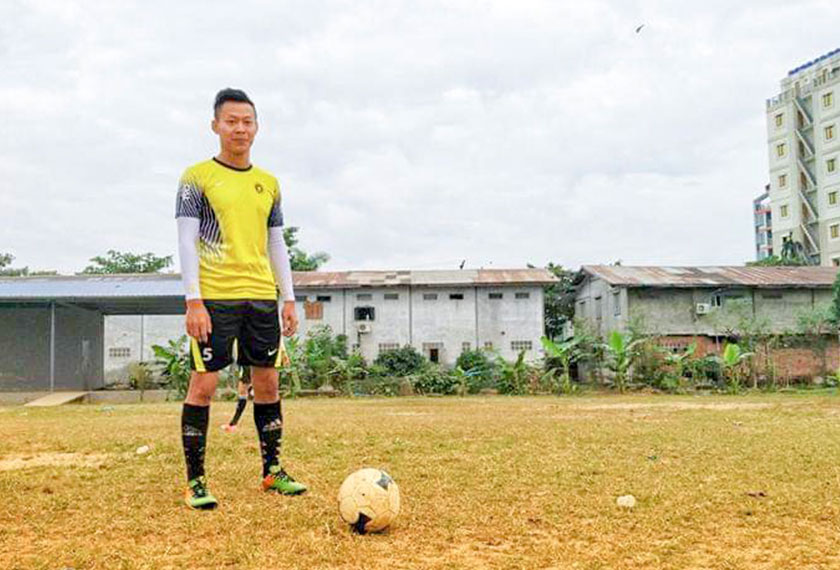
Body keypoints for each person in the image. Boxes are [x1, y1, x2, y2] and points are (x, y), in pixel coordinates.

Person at [176, 88, 307, 510]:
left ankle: (273, 472)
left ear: (257, 127)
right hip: (214, 297)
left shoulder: (268, 184)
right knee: (205, 384)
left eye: (247, 121)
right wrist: (193, 300)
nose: (239, 128)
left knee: (267, 382)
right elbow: (186, 241)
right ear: (215, 125)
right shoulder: (196, 178)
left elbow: (276, 244)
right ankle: (196, 482)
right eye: (231, 121)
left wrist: (288, 298)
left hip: (261, 298)